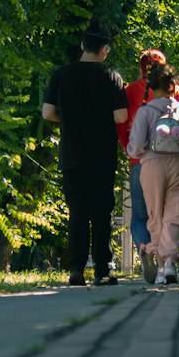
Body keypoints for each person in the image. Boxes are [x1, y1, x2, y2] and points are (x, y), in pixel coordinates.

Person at [42, 22, 128, 286]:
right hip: (102, 155)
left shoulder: (62, 75)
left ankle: (76, 268)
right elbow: (121, 115)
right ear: (104, 49)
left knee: (77, 211)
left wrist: (67, 121)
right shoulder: (112, 76)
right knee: (101, 212)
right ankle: (102, 269)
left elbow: (47, 113)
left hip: (72, 153)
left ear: (81, 46)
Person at [126, 63, 179, 285]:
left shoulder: (145, 111)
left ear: (150, 87)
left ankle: (160, 266)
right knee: (175, 214)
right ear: (172, 85)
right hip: (177, 165)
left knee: (155, 215)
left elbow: (137, 144)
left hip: (151, 166)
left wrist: (138, 152)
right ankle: (169, 263)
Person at [116, 48, 179, 258]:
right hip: (173, 161)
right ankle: (166, 260)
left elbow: (120, 126)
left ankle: (145, 248)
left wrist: (130, 151)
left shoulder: (128, 92)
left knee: (140, 215)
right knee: (170, 214)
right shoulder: (176, 91)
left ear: (141, 69)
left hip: (141, 163)